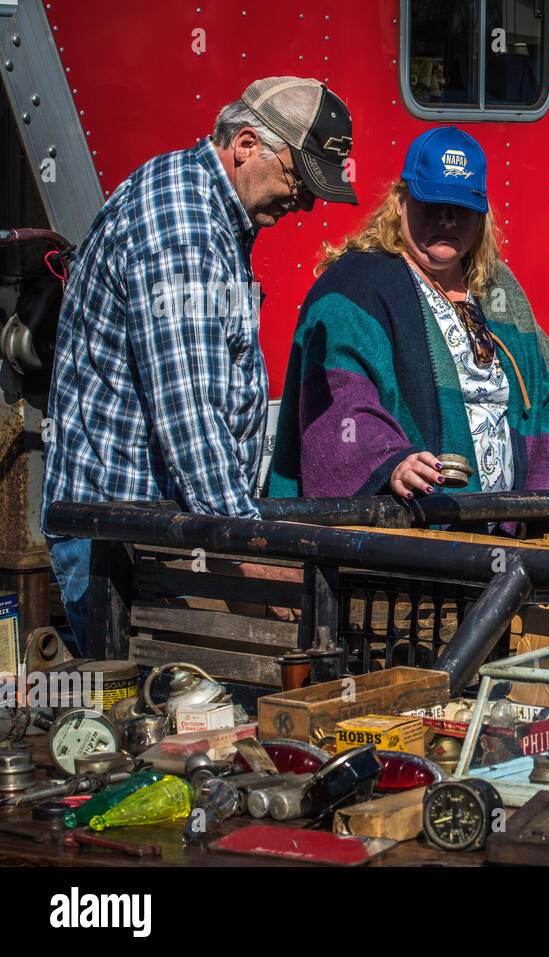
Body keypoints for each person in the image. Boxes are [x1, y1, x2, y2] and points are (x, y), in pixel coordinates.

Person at [41, 76, 358, 652]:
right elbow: (190, 416)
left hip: (156, 530)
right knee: (169, 727)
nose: (307, 202)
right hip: (127, 539)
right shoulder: (182, 225)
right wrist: (254, 557)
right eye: (298, 178)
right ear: (244, 145)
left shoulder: (207, 209)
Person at [268, 127, 549, 512]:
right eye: (432, 204)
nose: (448, 220)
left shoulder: (496, 286)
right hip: (407, 539)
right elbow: (339, 404)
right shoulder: (356, 285)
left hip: (502, 525)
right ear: (400, 201)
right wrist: (390, 461)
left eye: (462, 208)